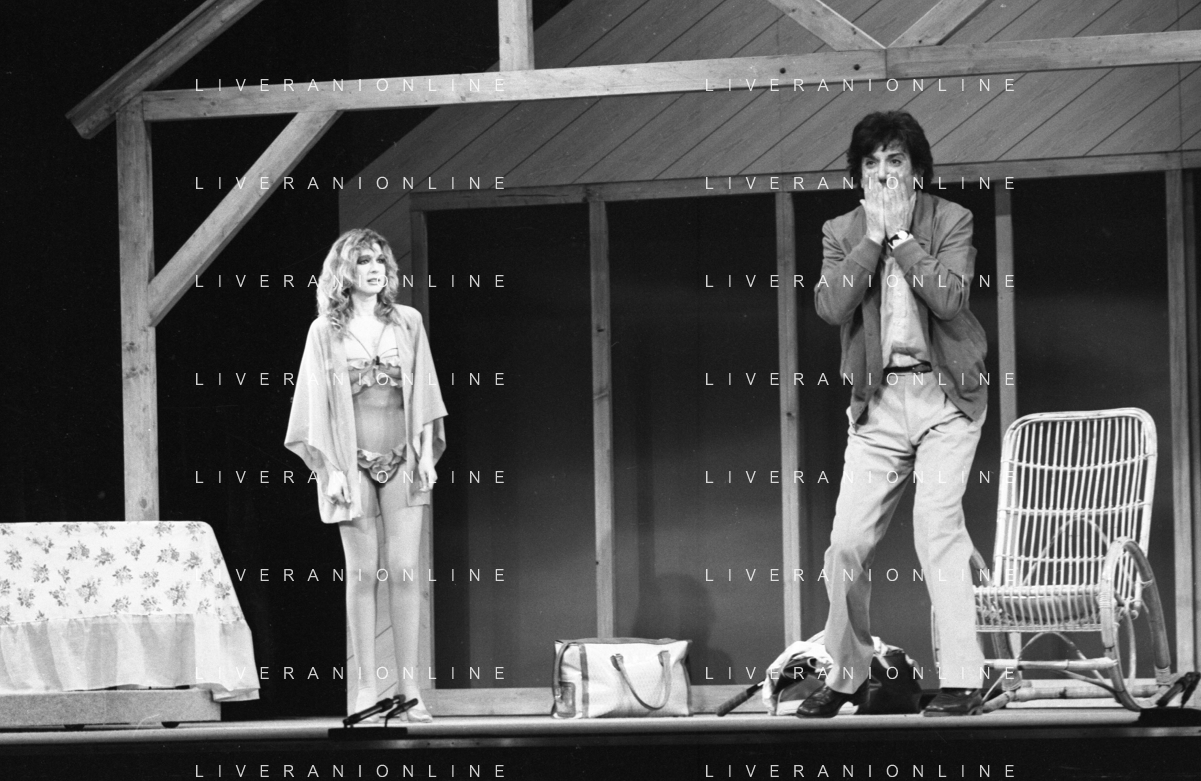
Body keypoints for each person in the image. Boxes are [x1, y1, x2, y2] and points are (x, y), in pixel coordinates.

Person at [798, 111, 988, 718]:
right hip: (878, 405)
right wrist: (873, 238)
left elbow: (950, 299)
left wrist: (902, 237)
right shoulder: (841, 230)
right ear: (859, 175)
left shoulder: (950, 219)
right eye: (871, 163)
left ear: (916, 170)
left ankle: (963, 679)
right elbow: (831, 306)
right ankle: (847, 677)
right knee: (845, 545)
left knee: (937, 529)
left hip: (944, 398)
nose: (883, 173)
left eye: (895, 160)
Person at [285, 228, 447, 722]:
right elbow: (313, 405)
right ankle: (364, 691)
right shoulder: (324, 331)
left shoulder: (407, 321)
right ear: (343, 272)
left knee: (404, 569)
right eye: (363, 261)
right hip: (349, 463)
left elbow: (425, 392)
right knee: (360, 573)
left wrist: (425, 454)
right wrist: (329, 468)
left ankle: (410, 690)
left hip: (403, 458)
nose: (375, 269)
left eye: (380, 260)